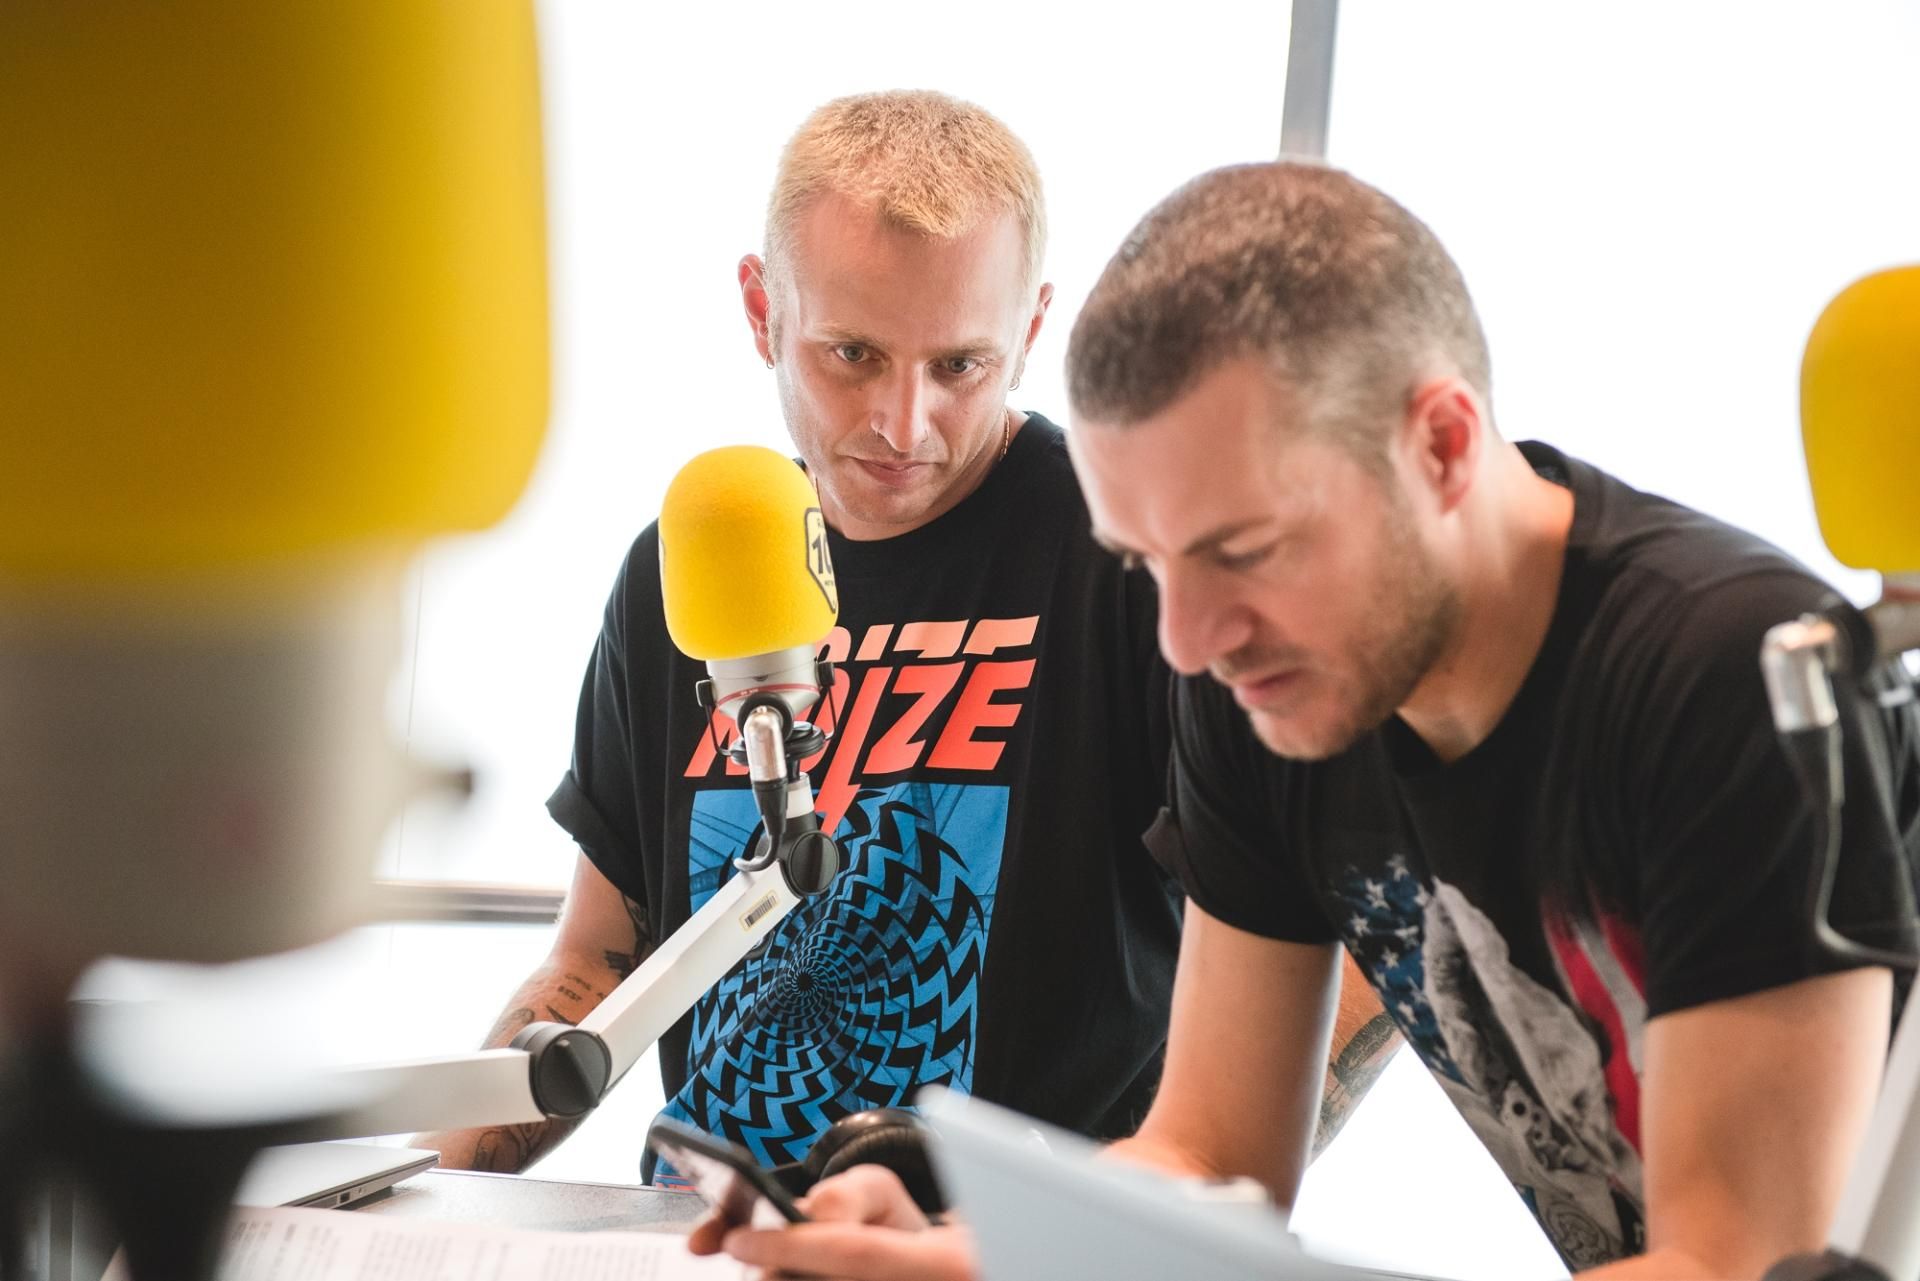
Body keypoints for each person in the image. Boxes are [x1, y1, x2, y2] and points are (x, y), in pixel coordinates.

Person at [708, 160, 1920, 1280]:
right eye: (1150, 563)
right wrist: (979, 1247)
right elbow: (1211, 1158)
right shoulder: (1263, 689)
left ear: (1442, 445)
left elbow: (1735, 1266)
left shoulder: (1716, 675)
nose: (1190, 639)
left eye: (1245, 551)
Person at [421, 100, 1396, 1182]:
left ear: (1031, 329)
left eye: (961, 366)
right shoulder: (686, 569)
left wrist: (1154, 1211)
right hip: (697, 1231)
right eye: (853, 353)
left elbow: (1364, 926)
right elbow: (596, 958)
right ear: (762, 310)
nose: (903, 421)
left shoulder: (1134, 561)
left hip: (1010, 1247)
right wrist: (405, 1188)